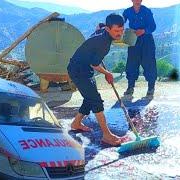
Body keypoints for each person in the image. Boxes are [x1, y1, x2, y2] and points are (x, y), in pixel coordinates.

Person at [67, 13, 124, 146]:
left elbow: (99, 26)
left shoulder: (103, 31)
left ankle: (76, 123)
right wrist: (107, 73)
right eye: (116, 31)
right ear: (109, 29)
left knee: (89, 98)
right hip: (78, 71)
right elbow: (95, 64)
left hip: (84, 69)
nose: (119, 34)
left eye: (121, 30)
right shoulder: (104, 43)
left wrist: (100, 26)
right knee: (96, 100)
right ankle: (107, 135)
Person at [122, 0, 157, 97]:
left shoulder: (147, 11)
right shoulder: (127, 12)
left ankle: (151, 88)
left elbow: (153, 26)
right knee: (131, 63)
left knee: (149, 63)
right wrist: (107, 25)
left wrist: (144, 30)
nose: (137, 1)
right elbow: (120, 22)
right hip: (133, 39)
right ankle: (130, 88)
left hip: (147, 40)